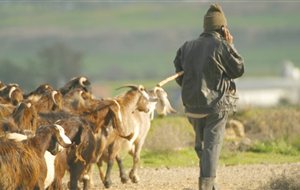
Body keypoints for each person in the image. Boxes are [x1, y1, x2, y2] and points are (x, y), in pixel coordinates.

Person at [173, 4, 244, 190]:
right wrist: (230, 45)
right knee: (211, 147)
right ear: (223, 28)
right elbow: (237, 70)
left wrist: (191, 90)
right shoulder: (221, 45)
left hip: (192, 107)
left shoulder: (186, 46)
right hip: (216, 107)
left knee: (202, 146)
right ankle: (206, 186)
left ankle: (211, 185)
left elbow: (179, 71)